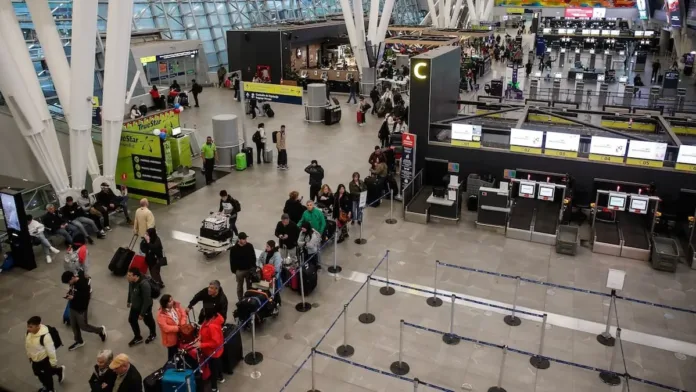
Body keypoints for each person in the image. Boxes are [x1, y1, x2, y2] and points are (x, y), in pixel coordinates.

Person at [61, 270, 107, 351]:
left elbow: (85, 299)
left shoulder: (83, 285)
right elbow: (73, 290)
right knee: (74, 325)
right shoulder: (73, 282)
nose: (69, 284)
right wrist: (69, 293)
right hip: (72, 307)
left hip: (81, 309)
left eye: (69, 282)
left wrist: (74, 297)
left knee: (84, 326)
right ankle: (79, 341)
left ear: (72, 278)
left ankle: (100, 330)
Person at [26, 316, 66, 392]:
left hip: (44, 360)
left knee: (47, 376)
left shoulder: (45, 336)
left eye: (31, 327)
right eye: (28, 326)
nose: (28, 328)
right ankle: (58, 371)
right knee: (37, 373)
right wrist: (29, 355)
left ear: (38, 326)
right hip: (35, 359)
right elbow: (27, 345)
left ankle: (50, 389)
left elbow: (51, 351)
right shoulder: (29, 332)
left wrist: (53, 362)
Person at [126, 268, 157, 347]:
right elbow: (130, 291)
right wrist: (129, 300)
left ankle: (153, 333)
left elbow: (147, 301)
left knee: (148, 321)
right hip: (135, 306)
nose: (127, 276)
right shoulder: (131, 281)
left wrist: (142, 314)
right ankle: (138, 337)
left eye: (129, 275)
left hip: (145, 308)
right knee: (132, 320)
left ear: (135, 276)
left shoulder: (144, 285)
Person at [198, 306, 225, 392]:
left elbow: (215, 343)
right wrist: (199, 336)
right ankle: (221, 377)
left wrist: (201, 345)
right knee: (218, 365)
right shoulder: (209, 321)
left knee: (213, 370)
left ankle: (214, 388)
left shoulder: (212, 327)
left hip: (213, 353)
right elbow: (202, 327)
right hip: (215, 352)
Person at [156, 294, 189, 360]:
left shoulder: (176, 306)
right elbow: (165, 328)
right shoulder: (161, 315)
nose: (172, 301)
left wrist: (182, 324)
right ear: (165, 304)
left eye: (172, 299)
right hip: (171, 339)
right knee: (172, 353)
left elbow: (183, 314)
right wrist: (178, 328)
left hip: (181, 334)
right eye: (170, 301)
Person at [228, 232, 257, 299]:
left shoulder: (250, 246)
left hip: (249, 270)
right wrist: (235, 271)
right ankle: (240, 300)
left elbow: (253, 257)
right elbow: (232, 261)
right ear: (239, 240)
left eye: (246, 239)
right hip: (239, 271)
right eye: (244, 239)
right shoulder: (234, 249)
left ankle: (248, 299)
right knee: (239, 287)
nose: (246, 240)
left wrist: (253, 267)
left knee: (249, 286)